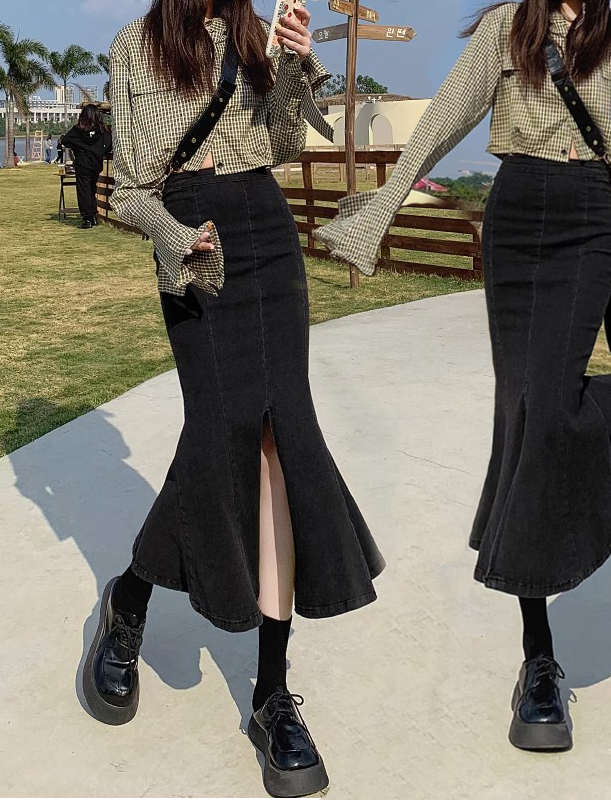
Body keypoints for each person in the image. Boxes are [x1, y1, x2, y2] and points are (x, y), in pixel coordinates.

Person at [314, 0, 611, 753]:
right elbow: (445, 117)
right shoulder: (508, 27)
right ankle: (539, 658)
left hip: (589, 220)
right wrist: (383, 205)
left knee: (548, 412)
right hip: (516, 215)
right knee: (522, 422)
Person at [83, 1, 383, 796]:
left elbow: (284, 145)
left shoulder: (255, 35)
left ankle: (270, 695)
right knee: (221, 434)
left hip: (268, 235)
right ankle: (129, 600)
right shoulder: (138, 44)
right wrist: (177, 240)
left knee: (282, 439)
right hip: (190, 237)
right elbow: (130, 191)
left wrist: (292, 63)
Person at [61, 105, 112, 228]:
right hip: (96, 163)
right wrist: (99, 151)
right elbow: (109, 144)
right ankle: (93, 215)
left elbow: (65, 140)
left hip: (83, 162)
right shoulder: (102, 131)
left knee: (83, 190)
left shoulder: (78, 130)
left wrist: (78, 147)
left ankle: (87, 218)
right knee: (92, 189)